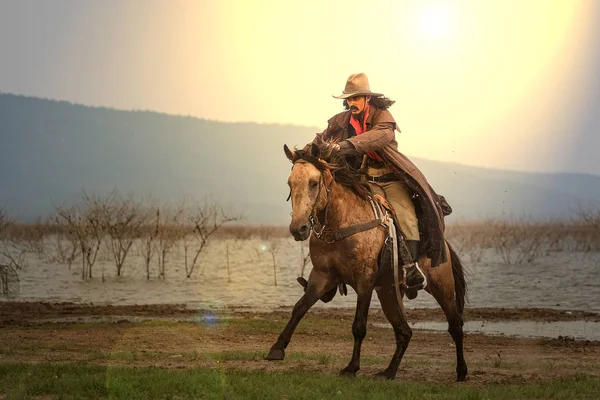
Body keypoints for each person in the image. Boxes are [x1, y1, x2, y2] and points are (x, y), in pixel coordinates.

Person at [308, 73, 451, 300]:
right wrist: (305, 154)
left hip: (390, 179)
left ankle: (410, 270)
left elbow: (375, 138)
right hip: (362, 180)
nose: (352, 103)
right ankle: (328, 277)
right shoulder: (341, 121)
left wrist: (344, 146)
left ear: (367, 99)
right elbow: (322, 139)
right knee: (333, 211)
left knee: (406, 217)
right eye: (349, 99)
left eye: (356, 98)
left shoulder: (384, 118)